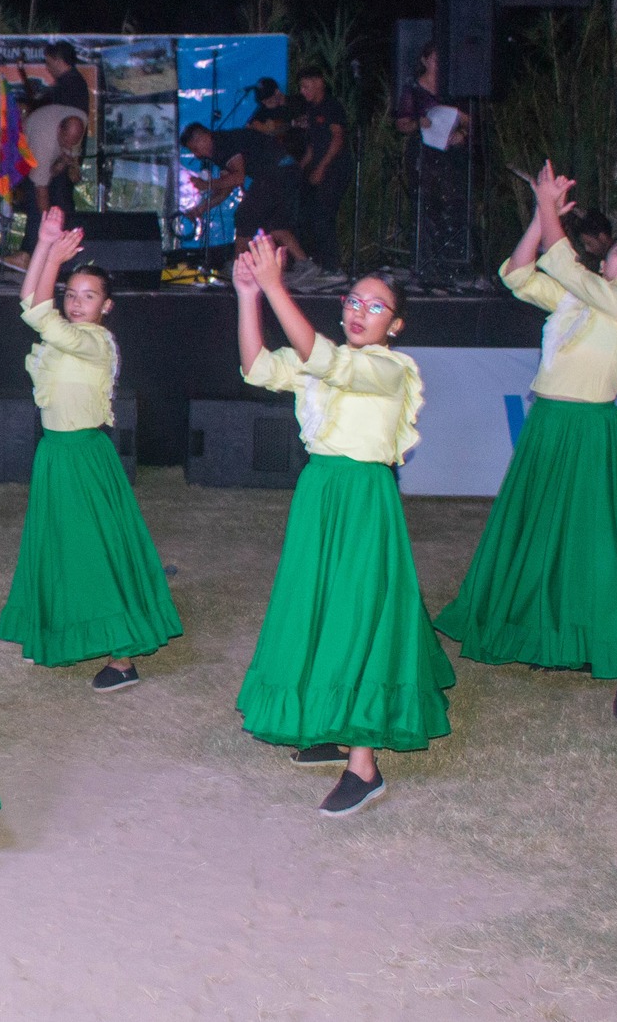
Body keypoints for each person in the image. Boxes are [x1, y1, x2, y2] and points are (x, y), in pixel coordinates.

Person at [435, 162, 617, 720]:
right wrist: (538, 219)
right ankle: (537, 630)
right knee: (537, 535)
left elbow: (563, 262)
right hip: (547, 425)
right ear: (605, 260)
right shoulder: (578, 298)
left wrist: (548, 208)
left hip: (591, 432)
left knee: (606, 548)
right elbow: (518, 274)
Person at [233, 232, 453, 815]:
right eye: (354, 301)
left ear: (396, 325)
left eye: (376, 307)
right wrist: (249, 295)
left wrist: (276, 287)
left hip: (363, 499)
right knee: (317, 607)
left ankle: (365, 765)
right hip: (319, 493)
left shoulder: (392, 368)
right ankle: (329, 722)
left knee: (360, 614)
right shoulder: (323, 364)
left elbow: (324, 359)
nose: (361, 312)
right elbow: (257, 366)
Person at [0, 209, 181, 689]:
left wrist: (54, 259)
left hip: (83, 456)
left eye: (89, 296)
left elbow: (36, 311)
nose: (77, 304)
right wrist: (43, 245)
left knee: (96, 551)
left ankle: (123, 659)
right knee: (58, 546)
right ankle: (57, 632)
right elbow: (30, 302)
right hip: (55, 454)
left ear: (107, 305)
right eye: (71, 295)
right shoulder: (66, 335)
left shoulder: (95, 342)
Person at [179, 115, 308, 270]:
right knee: (276, 226)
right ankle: (306, 266)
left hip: (276, 172)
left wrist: (206, 185)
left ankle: (238, 266)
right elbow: (225, 189)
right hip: (287, 172)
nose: (197, 155)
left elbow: (237, 177)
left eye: (195, 149)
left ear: (203, 138)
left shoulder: (223, 144)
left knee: (245, 216)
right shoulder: (221, 148)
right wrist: (200, 209)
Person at [6, 41, 91, 267]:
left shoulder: (70, 89)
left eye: (48, 61)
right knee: (53, 202)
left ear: (57, 60)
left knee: (46, 202)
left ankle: (37, 253)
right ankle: (47, 252)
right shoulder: (71, 86)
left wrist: (68, 160)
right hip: (52, 148)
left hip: (53, 149)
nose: (47, 67)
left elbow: (41, 188)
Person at [392, 44, 472, 282]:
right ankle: (426, 265)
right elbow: (401, 123)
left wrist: (463, 134)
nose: (440, 65)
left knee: (453, 205)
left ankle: (453, 264)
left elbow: (469, 120)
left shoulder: (453, 89)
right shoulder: (414, 89)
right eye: (436, 60)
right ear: (425, 61)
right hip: (423, 153)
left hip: (449, 155)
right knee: (426, 206)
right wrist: (419, 122)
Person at [292, 69, 350, 273]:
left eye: (306, 86)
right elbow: (312, 145)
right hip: (317, 165)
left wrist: (322, 167)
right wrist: (301, 167)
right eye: (301, 87)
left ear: (319, 83)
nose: (303, 91)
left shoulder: (331, 106)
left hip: (334, 167)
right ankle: (314, 263)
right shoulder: (312, 109)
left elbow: (337, 138)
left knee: (323, 215)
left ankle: (332, 267)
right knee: (306, 214)